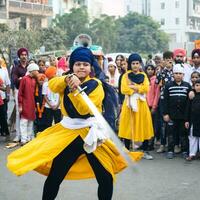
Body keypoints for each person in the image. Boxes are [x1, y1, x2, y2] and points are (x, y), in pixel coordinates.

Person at [7, 47, 127, 200]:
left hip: (92, 135)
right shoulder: (65, 80)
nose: (81, 67)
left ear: (90, 67)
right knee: (55, 176)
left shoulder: (96, 85)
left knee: (105, 177)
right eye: (77, 64)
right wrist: (66, 79)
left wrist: (75, 88)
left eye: (85, 64)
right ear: (72, 66)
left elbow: (83, 110)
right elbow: (52, 85)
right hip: (69, 135)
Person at [118, 53, 154, 159]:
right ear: (130, 64)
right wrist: (139, 88)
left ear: (140, 64)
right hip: (129, 104)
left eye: (137, 63)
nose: (135, 65)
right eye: (133, 63)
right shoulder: (125, 75)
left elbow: (146, 88)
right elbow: (124, 89)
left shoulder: (144, 76)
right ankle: (127, 150)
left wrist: (134, 87)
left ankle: (145, 150)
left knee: (144, 125)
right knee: (128, 126)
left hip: (141, 104)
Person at [163, 64, 192, 159]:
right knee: (171, 134)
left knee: (183, 134)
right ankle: (170, 150)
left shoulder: (187, 86)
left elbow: (189, 102)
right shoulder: (168, 86)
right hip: (171, 115)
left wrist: (187, 117)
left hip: (183, 115)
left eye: (180, 73)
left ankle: (184, 150)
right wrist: (165, 113)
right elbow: (165, 100)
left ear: (183, 75)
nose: (178, 75)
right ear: (173, 74)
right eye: (176, 73)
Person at [18, 63, 39, 145]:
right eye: (36, 70)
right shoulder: (24, 79)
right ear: (32, 71)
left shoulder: (34, 80)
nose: (37, 72)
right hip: (24, 104)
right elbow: (20, 93)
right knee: (23, 122)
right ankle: (23, 139)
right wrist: (20, 105)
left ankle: (29, 138)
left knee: (30, 122)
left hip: (32, 104)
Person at [185, 79, 200, 161]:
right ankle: (192, 154)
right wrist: (187, 120)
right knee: (192, 137)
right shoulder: (191, 96)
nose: (198, 87)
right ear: (194, 86)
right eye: (197, 85)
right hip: (193, 120)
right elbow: (188, 109)